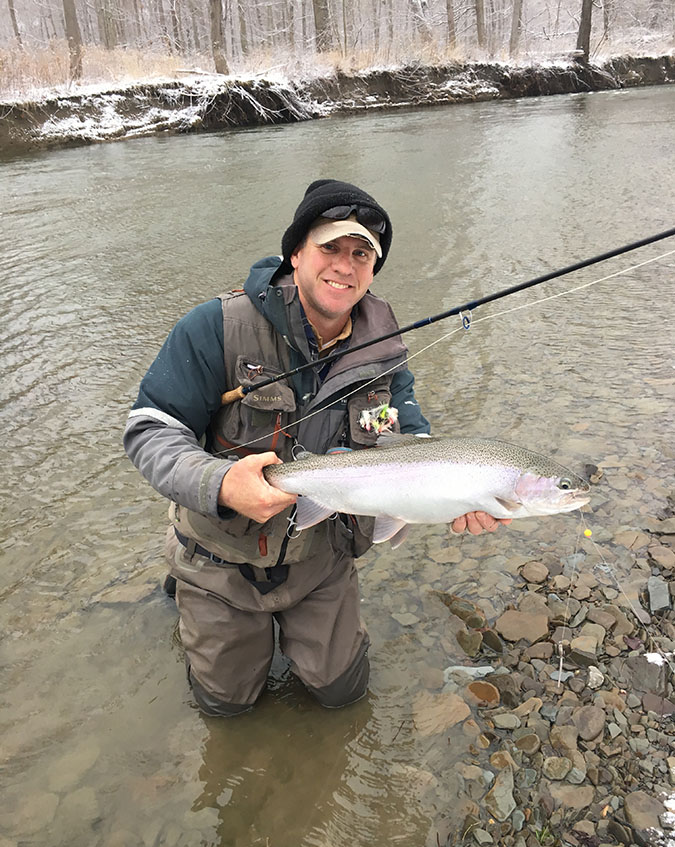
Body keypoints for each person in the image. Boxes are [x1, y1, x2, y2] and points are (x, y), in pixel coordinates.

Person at [124, 178, 509, 718]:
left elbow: (413, 440)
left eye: (362, 254)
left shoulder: (385, 348)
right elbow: (149, 429)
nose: (345, 266)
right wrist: (220, 483)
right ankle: (187, 594)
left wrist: (456, 495)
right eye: (331, 247)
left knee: (343, 694)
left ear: (373, 270)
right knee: (225, 708)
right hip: (220, 563)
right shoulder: (215, 326)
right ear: (296, 252)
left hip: (320, 562)